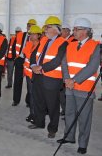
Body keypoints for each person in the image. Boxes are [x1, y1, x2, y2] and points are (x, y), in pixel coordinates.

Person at [57, 18, 100, 155]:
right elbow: (64, 64)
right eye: (74, 29)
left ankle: (82, 144)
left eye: (77, 29)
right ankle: (69, 137)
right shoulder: (70, 45)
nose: (73, 31)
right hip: (69, 86)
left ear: (86, 31)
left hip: (84, 88)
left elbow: (92, 67)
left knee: (84, 118)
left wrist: (74, 80)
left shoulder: (96, 46)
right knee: (69, 113)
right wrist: (66, 79)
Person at [29, 16, 68, 139]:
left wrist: (41, 68)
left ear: (56, 29)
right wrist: (33, 65)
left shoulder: (63, 42)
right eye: (45, 27)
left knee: (52, 105)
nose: (45, 29)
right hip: (38, 76)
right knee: (38, 101)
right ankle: (39, 123)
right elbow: (34, 54)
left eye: (48, 27)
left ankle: (52, 128)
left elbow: (57, 60)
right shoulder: (44, 40)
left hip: (52, 79)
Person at [12, 19, 36, 106]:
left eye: (32, 26)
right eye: (29, 25)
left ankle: (29, 101)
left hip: (29, 62)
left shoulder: (36, 38)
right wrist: (16, 57)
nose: (30, 27)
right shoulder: (20, 35)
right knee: (17, 81)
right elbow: (14, 47)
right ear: (26, 26)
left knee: (30, 82)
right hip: (19, 60)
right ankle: (16, 100)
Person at [22, 25, 41, 124]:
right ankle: (32, 113)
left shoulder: (41, 46)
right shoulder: (28, 44)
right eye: (30, 34)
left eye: (33, 34)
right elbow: (26, 56)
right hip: (28, 74)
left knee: (35, 95)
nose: (31, 35)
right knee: (31, 94)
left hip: (35, 74)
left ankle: (35, 114)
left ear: (38, 35)